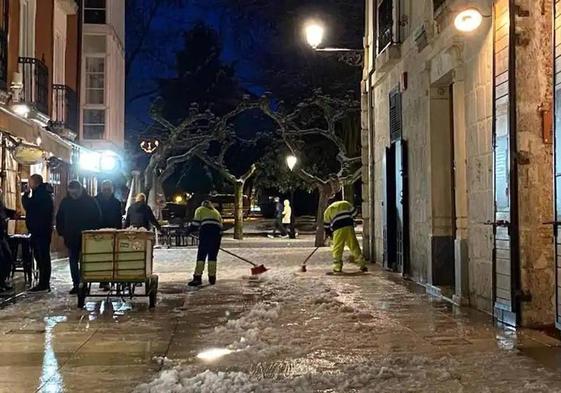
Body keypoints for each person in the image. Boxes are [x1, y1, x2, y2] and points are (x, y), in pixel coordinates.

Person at [56, 181, 102, 294]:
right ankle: (76, 284)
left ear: (81, 190)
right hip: (71, 236)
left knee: (84, 261)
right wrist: (61, 232)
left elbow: (97, 217)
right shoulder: (65, 202)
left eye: (76, 193)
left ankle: (83, 283)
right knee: (73, 261)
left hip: (86, 237)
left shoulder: (90, 201)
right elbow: (59, 218)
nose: (74, 195)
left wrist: (93, 232)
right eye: (72, 193)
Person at [22, 174, 54, 292]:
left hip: (40, 231)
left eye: (30, 182)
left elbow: (29, 206)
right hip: (41, 230)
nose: (29, 184)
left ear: (35, 183)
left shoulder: (41, 194)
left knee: (42, 257)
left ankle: (44, 283)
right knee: (42, 256)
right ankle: (44, 282)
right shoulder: (43, 193)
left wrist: (25, 194)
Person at [323, 198, 367, 273]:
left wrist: (330, 235)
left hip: (338, 229)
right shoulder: (346, 203)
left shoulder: (328, 210)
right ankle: (362, 264)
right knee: (354, 245)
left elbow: (326, 226)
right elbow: (355, 213)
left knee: (337, 248)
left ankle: (337, 267)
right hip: (349, 227)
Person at [95, 180, 122, 290]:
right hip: (99, 233)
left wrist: (119, 231)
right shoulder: (95, 201)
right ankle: (103, 279)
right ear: (102, 190)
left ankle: (109, 278)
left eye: (109, 190)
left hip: (112, 232)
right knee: (101, 257)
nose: (107, 192)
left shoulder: (116, 202)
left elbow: (118, 218)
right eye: (105, 189)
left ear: (112, 190)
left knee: (111, 256)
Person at [188, 200, 223, 287]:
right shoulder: (216, 212)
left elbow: (195, 224)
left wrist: (188, 231)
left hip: (206, 233)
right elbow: (221, 226)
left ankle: (197, 278)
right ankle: (212, 278)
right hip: (217, 235)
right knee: (212, 257)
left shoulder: (200, 209)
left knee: (201, 256)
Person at [0, 189, 13, 291]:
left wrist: (12, 214)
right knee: (2, 258)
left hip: (2, 234)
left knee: (7, 256)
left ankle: (3, 281)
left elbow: (4, 211)